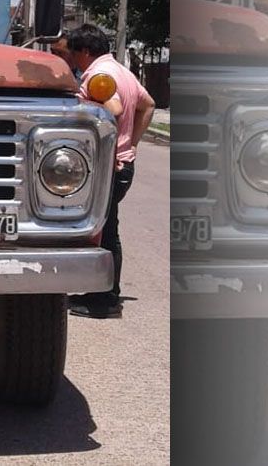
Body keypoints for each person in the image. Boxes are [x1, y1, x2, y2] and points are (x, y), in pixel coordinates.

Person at [67, 24, 155, 318]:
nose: (73, 61)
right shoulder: (123, 72)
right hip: (124, 162)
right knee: (108, 231)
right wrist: (132, 143)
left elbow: (114, 109)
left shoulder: (97, 77)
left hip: (110, 165)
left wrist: (112, 144)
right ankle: (104, 294)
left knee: (102, 233)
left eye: (74, 54)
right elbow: (149, 105)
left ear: (85, 51)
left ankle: (103, 301)